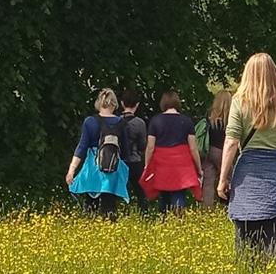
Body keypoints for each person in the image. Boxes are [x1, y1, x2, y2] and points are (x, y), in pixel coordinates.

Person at [217, 54, 276, 272]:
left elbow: (231, 142)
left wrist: (223, 179)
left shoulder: (239, 102)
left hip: (248, 178)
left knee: (248, 245)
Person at [65, 88, 130, 217]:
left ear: (99, 103)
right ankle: (110, 229)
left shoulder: (90, 122)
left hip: (93, 167)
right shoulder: (121, 123)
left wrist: (72, 170)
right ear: (114, 104)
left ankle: (90, 227)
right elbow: (126, 150)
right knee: (109, 206)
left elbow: (82, 147)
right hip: (113, 168)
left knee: (90, 205)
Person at [140, 91, 203, 216]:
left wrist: (147, 165)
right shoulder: (186, 121)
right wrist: (198, 168)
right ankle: (178, 220)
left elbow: (150, 147)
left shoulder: (155, 121)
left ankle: (164, 219)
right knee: (179, 192)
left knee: (163, 191)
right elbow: (193, 148)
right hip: (182, 163)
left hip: (162, 162)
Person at [118, 89, 149, 214]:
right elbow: (142, 145)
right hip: (135, 160)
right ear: (137, 104)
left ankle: (121, 211)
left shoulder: (116, 121)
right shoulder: (140, 123)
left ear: (121, 103)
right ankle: (143, 214)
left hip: (120, 161)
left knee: (120, 189)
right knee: (140, 191)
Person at [201, 90, 233, 208]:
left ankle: (207, 207)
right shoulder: (229, 120)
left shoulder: (210, 117)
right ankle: (227, 203)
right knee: (229, 177)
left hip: (209, 151)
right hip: (222, 152)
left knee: (208, 180)